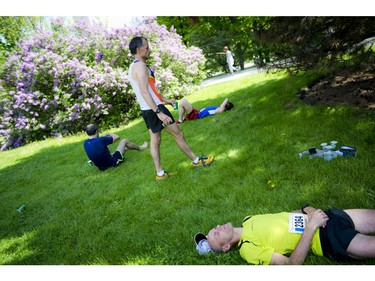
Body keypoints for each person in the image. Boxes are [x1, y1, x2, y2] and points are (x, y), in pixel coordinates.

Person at [127, 36, 214, 181]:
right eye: (147, 47)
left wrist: (166, 100)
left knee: (156, 141)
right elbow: (144, 91)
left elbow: (149, 90)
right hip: (154, 109)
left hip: (147, 109)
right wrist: (159, 112)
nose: (149, 50)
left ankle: (160, 174)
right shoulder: (140, 67)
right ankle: (196, 160)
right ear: (138, 49)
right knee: (178, 134)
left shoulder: (133, 66)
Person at [194, 206, 375, 265]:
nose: (217, 228)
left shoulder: (248, 219)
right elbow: (292, 265)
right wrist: (311, 227)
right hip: (327, 239)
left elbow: (288, 215)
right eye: (215, 235)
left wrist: (308, 210)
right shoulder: (247, 249)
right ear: (225, 247)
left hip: (325, 216)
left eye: (214, 228)